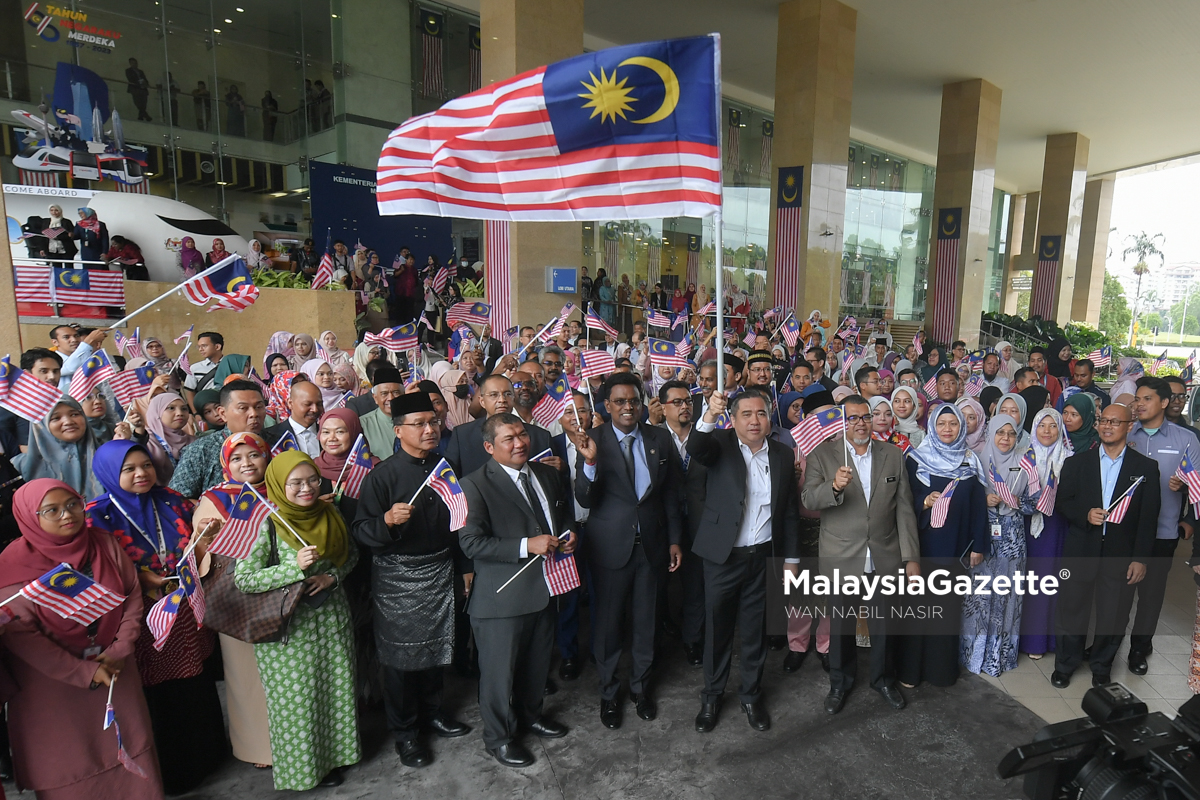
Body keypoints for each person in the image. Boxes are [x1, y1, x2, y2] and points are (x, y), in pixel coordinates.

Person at [0, 479, 164, 798]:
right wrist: (84, 672)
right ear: (28, 516)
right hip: (52, 690)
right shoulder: (11, 566)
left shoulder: (102, 542)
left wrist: (120, 647)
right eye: (52, 510)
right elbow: (23, 638)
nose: (67, 515)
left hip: (116, 669)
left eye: (73, 504)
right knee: (71, 768)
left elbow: (130, 595)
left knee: (130, 749)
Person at [86, 440, 229, 793]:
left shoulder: (173, 500)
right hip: (142, 615)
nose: (141, 474)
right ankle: (175, 768)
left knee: (194, 681)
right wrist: (137, 577)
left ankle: (209, 754)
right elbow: (94, 568)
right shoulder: (96, 516)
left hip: (182, 607)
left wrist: (204, 537)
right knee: (159, 691)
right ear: (108, 473)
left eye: (146, 466)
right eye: (129, 469)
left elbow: (195, 544)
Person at [352, 393, 471, 768]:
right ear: (398, 429)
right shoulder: (382, 475)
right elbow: (360, 530)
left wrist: (465, 564)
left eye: (433, 422)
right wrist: (385, 522)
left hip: (441, 568)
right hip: (398, 576)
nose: (429, 429)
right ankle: (405, 732)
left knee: (438, 647)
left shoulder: (444, 466)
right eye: (418, 424)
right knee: (401, 659)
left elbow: (459, 520)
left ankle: (433, 714)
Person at [235, 451, 362, 790]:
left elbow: (353, 555)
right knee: (298, 704)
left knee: (335, 692)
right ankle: (304, 773)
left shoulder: (330, 512)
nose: (306, 488)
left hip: (332, 619)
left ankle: (335, 760)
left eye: (311, 480)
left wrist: (332, 577)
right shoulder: (267, 522)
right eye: (295, 483)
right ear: (279, 484)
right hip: (290, 633)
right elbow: (244, 579)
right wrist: (294, 568)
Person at [458, 414, 574, 768]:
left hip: (544, 588)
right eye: (508, 439)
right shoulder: (474, 484)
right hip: (500, 599)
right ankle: (499, 737)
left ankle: (531, 716)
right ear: (490, 448)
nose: (520, 443)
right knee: (498, 675)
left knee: (537, 665)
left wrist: (568, 534)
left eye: (522, 434)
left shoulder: (545, 474)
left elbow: (560, 513)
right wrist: (527, 544)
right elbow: (471, 543)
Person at [573, 373, 683, 728]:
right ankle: (609, 693)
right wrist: (589, 462)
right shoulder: (592, 440)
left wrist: (674, 540)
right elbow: (583, 498)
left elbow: (669, 495)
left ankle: (641, 688)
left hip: (651, 548)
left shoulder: (659, 438)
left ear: (641, 403)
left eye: (633, 400)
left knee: (646, 623)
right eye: (619, 401)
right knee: (607, 627)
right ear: (607, 406)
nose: (627, 407)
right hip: (609, 550)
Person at [688, 389, 800, 732]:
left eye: (761, 414)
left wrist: (792, 558)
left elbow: (789, 511)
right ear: (733, 419)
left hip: (762, 555)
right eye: (746, 414)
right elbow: (695, 448)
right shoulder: (718, 445)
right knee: (718, 629)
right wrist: (709, 414)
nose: (755, 421)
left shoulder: (782, 453)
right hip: (723, 557)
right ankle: (712, 695)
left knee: (755, 631)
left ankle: (751, 695)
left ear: (770, 419)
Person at [804, 393, 919, 713]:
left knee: (884, 626)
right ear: (843, 422)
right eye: (852, 417)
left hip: (885, 554)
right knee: (841, 627)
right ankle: (839, 682)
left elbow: (905, 510)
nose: (860, 423)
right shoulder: (823, 455)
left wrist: (911, 558)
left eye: (865, 417)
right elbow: (809, 499)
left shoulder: (894, 455)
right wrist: (835, 487)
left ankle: (883, 679)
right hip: (841, 555)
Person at [1052, 402, 1160, 688]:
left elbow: (1149, 519)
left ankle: (1102, 667)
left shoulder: (1146, 468)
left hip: (1120, 556)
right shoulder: (1076, 463)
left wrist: (1140, 559)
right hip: (1081, 551)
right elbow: (1063, 503)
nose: (1108, 426)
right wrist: (1085, 514)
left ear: (1128, 427)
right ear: (1098, 424)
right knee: (1071, 611)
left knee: (1113, 615)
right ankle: (1065, 665)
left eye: (1115, 422)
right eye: (1104, 421)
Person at [191, 432, 274, 769]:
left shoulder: (282, 487)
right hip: (237, 599)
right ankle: (259, 748)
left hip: (284, 590)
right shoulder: (214, 499)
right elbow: (198, 553)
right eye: (237, 458)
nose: (246, 464)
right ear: (226, 464)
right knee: (248, 679)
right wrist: (205, 538)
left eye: (253, 455)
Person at [900, 404, 989, 687]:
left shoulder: (969, 460)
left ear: (961, 427)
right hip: (922, 547)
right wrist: (923, 502)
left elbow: (978, 507)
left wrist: (978, 546)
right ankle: (910, 671)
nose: (948, 429)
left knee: (946, 611)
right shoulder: (916, 459)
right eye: (942, 424)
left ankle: (940, 672)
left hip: (956, 550)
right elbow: (903, 502)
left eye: (953, 424)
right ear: (933, 427)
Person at [1124, 376, 1196, 676]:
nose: (1139, 404)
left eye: (1146, 399)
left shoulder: (1186, 439)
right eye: (1137, 399)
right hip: (1123, 530)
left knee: (1150, 596)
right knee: (1118, 593)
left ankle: (1140, 649)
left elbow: (1199, 485)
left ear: (1164, 403)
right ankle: (1107, 644)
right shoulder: (1127, 434)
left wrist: (1184, 491)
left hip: (1162, 531)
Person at [961, 413, 1037, 678]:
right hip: (983, 536)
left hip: (1013, 540)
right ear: (990, 433)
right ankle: (973, 655)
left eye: (1011, 433)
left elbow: (1036, 504)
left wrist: (1017, 501)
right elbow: (962, 504)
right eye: (1000, 433)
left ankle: (998, 656)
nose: (1005, 438)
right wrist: (984, 500)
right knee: (979, 595)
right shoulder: (975, 462)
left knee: (1007, 595)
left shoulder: (1025, 464)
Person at [1020, 409, 1072, 660]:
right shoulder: (1023, 457)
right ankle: (1020, 638)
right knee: (1023, 582)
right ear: (1034, 428)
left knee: (1046, 582)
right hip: (1025, 526)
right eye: (1042, 426)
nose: (1047, 431)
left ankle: (1041, 640)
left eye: (1053, 426)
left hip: (1054, 527)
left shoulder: (1069, 459)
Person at [169, 380, 268, 498]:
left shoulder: (278, 442)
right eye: (243, 408)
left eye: (259, 407)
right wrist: (210, 509)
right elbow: (175, 499)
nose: (254, 414)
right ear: (223, 413)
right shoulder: (201, 450)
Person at [13, 398, 103, 499]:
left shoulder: (108, 456)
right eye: (56, 418)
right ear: (41, 426)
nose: (68, 422)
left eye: (74, 414)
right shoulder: (17, 467)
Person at [139, 391, 194, 485]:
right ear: (157, 412)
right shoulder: (145, 440)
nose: (179, 413)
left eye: (184, 409)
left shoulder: (194, 441)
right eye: (171, 408)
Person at [262, 380, 324, 458]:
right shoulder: (269, 436)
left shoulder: (327, 434)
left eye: (319, 404)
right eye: (307, 404)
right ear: (290, 403)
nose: (315, 409)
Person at [1165, 375, 1200, 441]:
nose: (1177, 401)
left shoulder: (1194, 435)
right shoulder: (1145, 431)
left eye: (1181, 396)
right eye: (1171, 396)